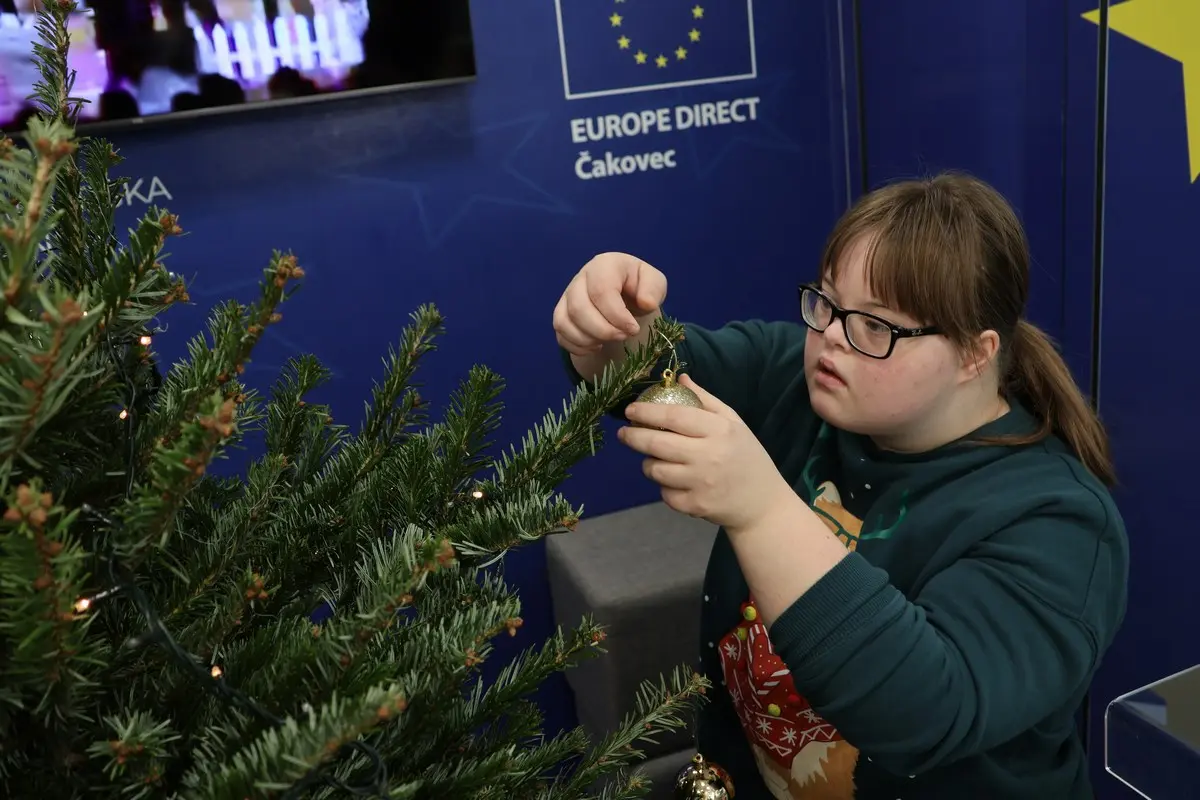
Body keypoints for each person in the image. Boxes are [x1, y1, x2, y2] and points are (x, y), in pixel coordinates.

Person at [554, 172, 1128, 799]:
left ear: (974, 354)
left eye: (876, 327)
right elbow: (645, 373)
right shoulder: (798, 382)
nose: (830, 335)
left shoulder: (1059, 522)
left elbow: (920, 714)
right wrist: (606, 330)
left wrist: (763, 510)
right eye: (825, 302)